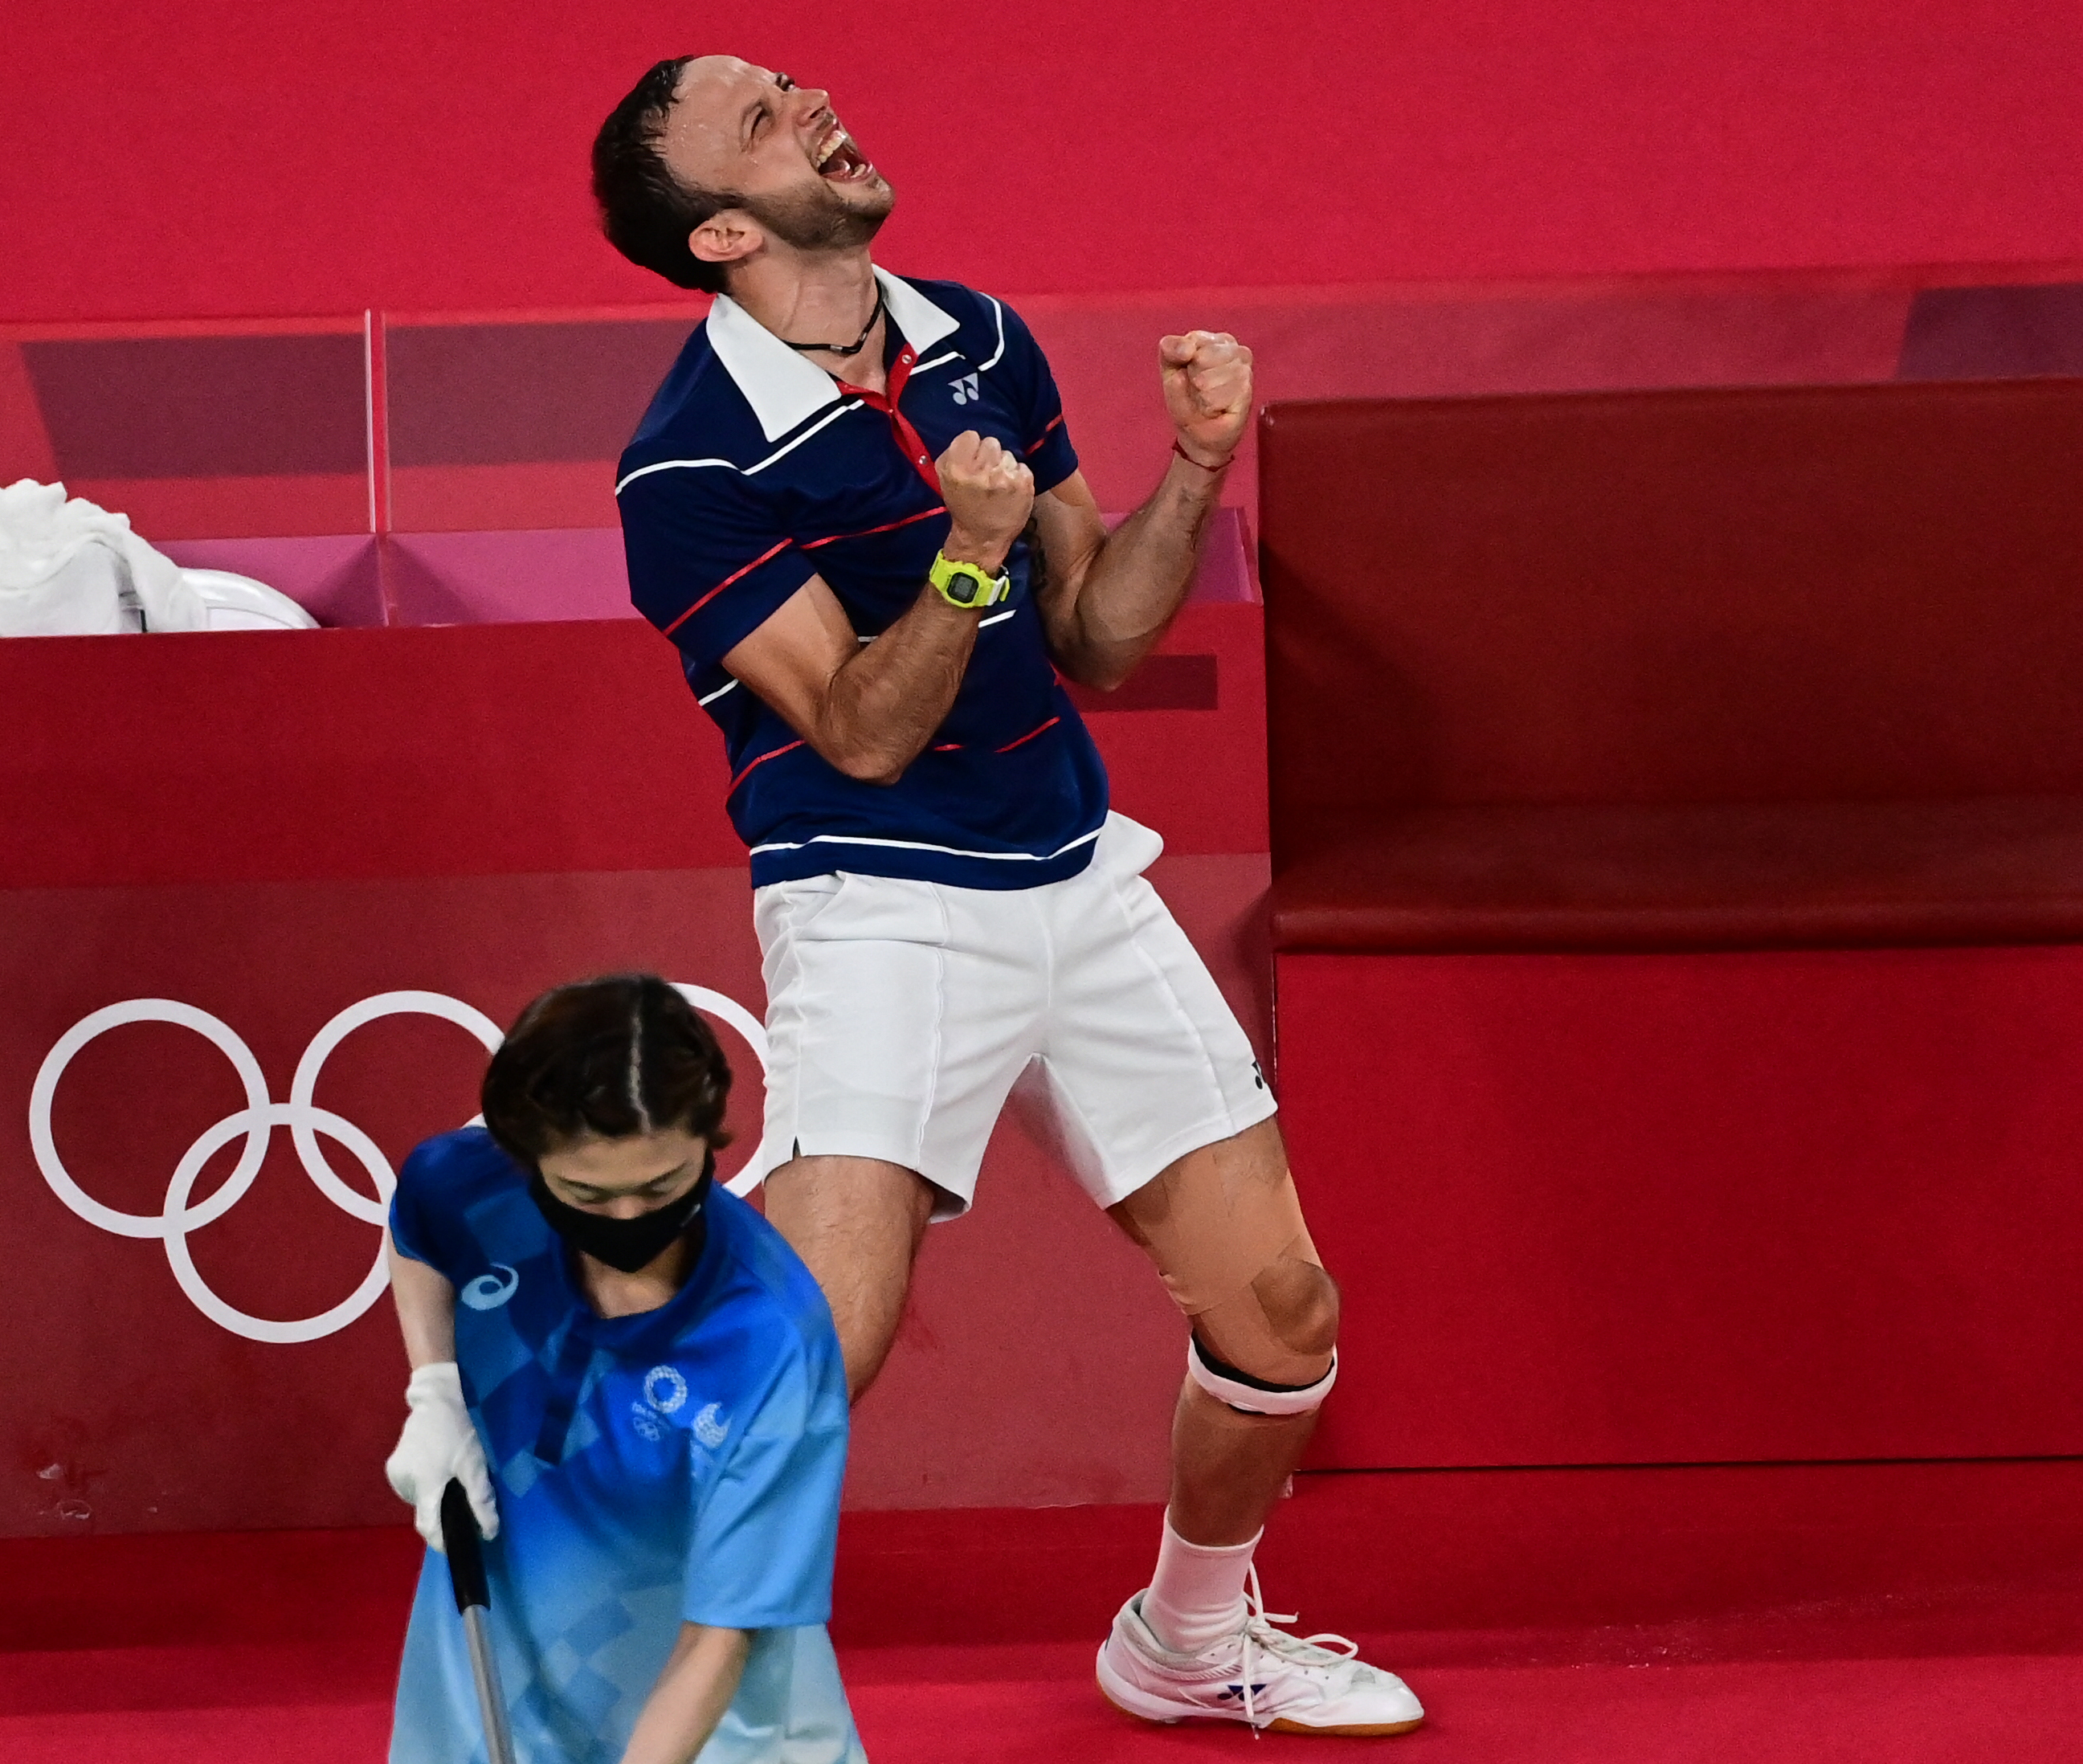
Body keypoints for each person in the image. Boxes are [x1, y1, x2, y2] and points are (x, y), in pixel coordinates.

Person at [589, 57, 1423, 1739]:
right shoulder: (686, 471)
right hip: (878, 902)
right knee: (824, 1349)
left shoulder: (974, 331)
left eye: (786, 81)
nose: (809, 100)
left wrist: (1191, 471)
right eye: (756, 120)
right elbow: (861, 734)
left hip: (1075, 878)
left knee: (1282, 1315)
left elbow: (1102, 636)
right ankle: (637, 1682)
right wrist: (964, 559)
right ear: (728, 233)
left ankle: (1183, 1643)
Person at [381, 974, 862, 1764]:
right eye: (586, 1194)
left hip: (709, 1718)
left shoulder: (770, 1341)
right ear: (529, 1159)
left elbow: (720, 1635)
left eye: (661, 1185)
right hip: (495, 1669)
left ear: (711, 1139)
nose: (630, 1219)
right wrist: (433, 1390)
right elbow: (418, 1225)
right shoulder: (476, 1185)